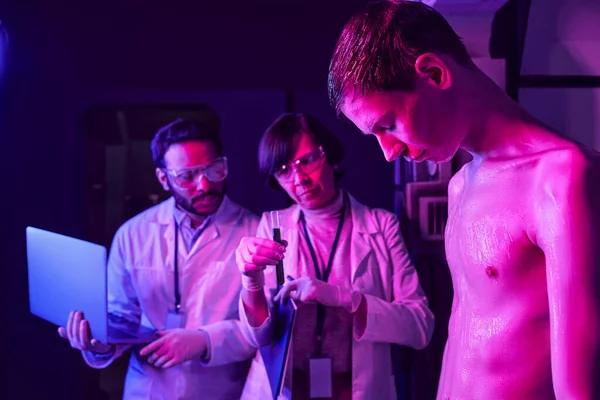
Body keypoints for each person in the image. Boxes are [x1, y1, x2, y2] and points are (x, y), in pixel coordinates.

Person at [328, 1, 600, 399]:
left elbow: (580, 390)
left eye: (387, 126)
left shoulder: (562, 177)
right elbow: (463, 339)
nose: (387, 152)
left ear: (434, 73)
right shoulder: (458, 187)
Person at [58, 116, 260, 399]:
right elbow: (121, 319)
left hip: (219, 390)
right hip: (149, 389)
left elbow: (263, 329)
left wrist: (204, 340)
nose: (204, 184)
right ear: (164, 179)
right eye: (187, 176)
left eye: (213, 169)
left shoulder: (254, 231)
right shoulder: (132, 234)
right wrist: (98, 343)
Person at [236, 113, 434, 400]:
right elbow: (257, 338)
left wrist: (346, 299)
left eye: (307, 161)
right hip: (288, 389)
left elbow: (420, 326)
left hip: (355, 390)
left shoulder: (382, 226)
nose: (299, 179)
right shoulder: (272, 227)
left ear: (331, 156)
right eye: (283, 170)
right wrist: (250, 282)